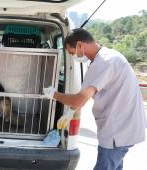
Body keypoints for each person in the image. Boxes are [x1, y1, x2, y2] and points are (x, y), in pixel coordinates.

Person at [43, 28, 146, 170]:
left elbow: (80, 99)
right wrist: (70, 112)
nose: (73, 57)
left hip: (117, 132)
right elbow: (86, 95)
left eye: (72, 53)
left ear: (80, 45)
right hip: (124, 129)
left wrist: (54, 94)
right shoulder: (108, 57)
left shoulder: (103, 62)